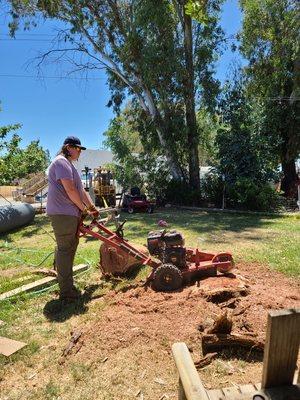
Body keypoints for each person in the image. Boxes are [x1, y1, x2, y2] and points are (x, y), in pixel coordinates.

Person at [46, 136, 99, 301]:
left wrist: (91, 208)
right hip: (63, 214)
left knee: (70, 248)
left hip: (70, 213)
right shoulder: (61, 162)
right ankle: (66, 291)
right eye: (78, 149)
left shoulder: (70, 166)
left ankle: (66, 283)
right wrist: (83, 210)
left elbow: (81, 191)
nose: (79, 152)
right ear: (68, 147)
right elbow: (70, 190)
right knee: (65, 249)